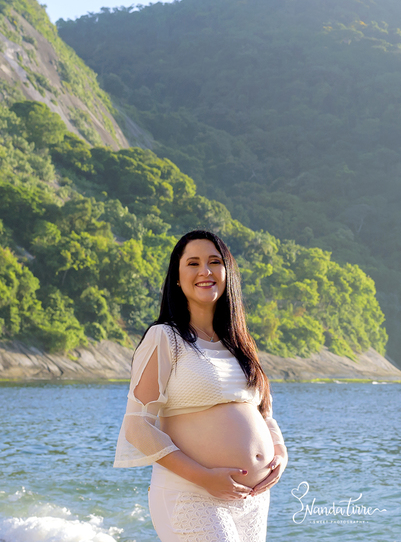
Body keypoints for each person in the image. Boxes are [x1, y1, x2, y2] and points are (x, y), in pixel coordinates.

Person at [114, 229, 288, 542]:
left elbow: (265, 415)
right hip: (192, 493)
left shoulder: (241, 344)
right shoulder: (165, 338)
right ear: (177, 279)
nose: (205, 271)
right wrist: (205, 478)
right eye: (192, 263)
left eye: (214, 262)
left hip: (252, 500)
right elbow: (137, 428)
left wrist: (280, 454)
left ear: (227, 273)